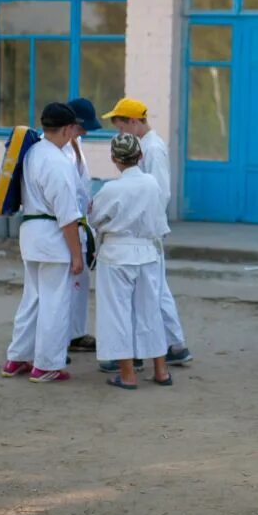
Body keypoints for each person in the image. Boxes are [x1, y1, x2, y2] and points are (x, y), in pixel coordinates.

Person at [102, 97, 193, 368]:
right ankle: (172, 345)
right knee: (154, 290)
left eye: (121, 127)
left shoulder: (153, 148)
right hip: (145, 231)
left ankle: (159, 348)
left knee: (150, 292)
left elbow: (160, 192)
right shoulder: (147, 146)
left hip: (145, 232)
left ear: (133, 121)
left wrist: (142, 222)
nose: (120, 134)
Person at [1, 103, 85, 383]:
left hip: (32, 234)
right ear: (66, 128)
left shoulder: (33, 151)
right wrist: (77, 255)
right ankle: (47, 364)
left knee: (32, 298)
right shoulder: (59, 162)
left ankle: (17, 357)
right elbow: (67, 216)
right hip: (53, 238)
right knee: (55, 302)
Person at [90, 133, 172, 390]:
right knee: (151, 311)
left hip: (116, 255)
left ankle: (127, 374)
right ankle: (161, 371)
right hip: (147, 252)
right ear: (141, 156)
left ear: (114, 159)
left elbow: (95, 218)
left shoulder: (110, 189)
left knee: (117, 313)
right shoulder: (151, 184)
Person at [63, 98, 101, 355]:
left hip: (80, 223)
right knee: (63, 285)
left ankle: (75, 333)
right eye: (82, 127)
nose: (85, 132)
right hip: (66, 224)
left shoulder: (76, 145)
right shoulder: (57, 151)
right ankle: (60, 338)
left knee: (79, 283)